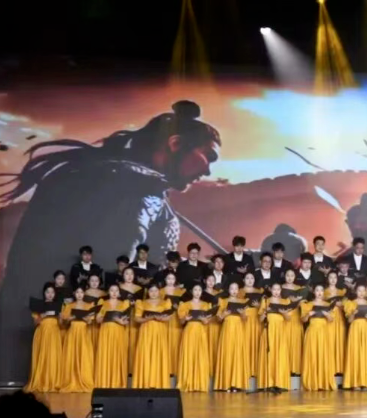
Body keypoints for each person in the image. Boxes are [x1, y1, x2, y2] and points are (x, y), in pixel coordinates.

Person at [0, 100, 220, 385]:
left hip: (24, 333)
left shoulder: (96, 174)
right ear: (175, 143)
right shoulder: (139, 189)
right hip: (75, 345)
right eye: (208, 157)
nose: (208, 171)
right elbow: (115, 269)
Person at [133, 285, 173, 389]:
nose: (154, 293)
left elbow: (169, 317)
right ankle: (145, 382)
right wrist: (148, 318)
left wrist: (161, 318)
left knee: (159, 352)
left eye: (156, 290)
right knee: (146, 353)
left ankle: (159, 382)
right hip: (146, 330)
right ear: (148, 292)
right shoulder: (141, 303)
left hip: (160, 330)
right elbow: (137, 318)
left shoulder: (165, 302)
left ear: (159, 291)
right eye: (151, 290)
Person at [25, 283, 63, 392]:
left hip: (54, 333)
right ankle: (41, 381)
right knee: (42, 355)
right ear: (44, 293)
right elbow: (35, 323)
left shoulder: (58, 305)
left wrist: (60, 317)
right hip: (42, 333)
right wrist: (42, 316)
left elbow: (61, 324)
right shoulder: (39, 306)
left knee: (53, 356)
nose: (50, 294)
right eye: (48, 292)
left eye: (52, 292)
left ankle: (53, 382)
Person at [59, 286, 95, 393]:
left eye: (81, 292)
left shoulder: (89, 305)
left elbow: (90, 322)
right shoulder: (69, 306)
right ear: (74, 293)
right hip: (72, 332)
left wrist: (84, 318)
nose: (79, 294)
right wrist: (70, 318)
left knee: (83, 355)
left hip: (83, 332)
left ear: (84, 294)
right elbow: (64, 323)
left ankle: (84, 380)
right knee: (72, 355)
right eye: (77, 292)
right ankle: (70, 380)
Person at [301, 284, 337, 391]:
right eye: (317, 290)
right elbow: (303, 320)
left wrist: (327, 314)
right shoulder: (308, 304)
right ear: (314, 292)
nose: (319, 292)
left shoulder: (328, 305)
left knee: (323, 355)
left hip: (324, 332)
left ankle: (323, 382)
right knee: (312, 354)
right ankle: (312, 382)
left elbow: (331, 320)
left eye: (321, 290)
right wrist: (308, 314)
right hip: (312, 331)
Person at [214, 282, 249, 392]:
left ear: (238, 290)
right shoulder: (223, 301)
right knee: (227, 353)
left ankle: (236, 384)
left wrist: (242, 314)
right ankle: (226, 384)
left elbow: (245, 319)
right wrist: (223, 315)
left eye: (236, 288)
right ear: (228, 290)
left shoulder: (243, 302)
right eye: (231, 288)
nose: (234, 290)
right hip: (227, 329)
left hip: (238, 329)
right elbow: (218, 319)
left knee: (237, 354)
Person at [94, 284, 130, 388]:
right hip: (106, 332)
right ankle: (104, 382)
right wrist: (108, 317)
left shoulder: (124, 304)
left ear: (119, 292)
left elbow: (126, 321)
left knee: (117, 354)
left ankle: (117, 382)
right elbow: (98, 320)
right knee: (105, 354)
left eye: (116, 290)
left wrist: (118, 320)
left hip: (118, 332)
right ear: (108, 292)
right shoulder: (102, 303)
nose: (114, 293)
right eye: (112, 290)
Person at [177, 284, 211, 392]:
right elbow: (181, 321)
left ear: (202, 292)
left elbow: (207, 321)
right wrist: (185, 318)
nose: (197, 292)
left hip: (201, 331)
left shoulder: (206, 305)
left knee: (200, 355)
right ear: (192, 291)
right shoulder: (185, 305)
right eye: (195, 289)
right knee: (189, 354)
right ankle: (187, 383)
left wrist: (203, 319)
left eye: (199, 290)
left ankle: (200, 384)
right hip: (189, 331)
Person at [343, 284, 367, 390]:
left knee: (366, 353)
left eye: (363, 290)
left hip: (366, 328)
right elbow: (349, 320)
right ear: (356, 291)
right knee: (355, 353)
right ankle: (355, 383)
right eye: (359, 290)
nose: (361, 293)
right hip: (355, 328)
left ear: (366, 292)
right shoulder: (350, 303)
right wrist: (353, 313)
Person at [258, 283, 291, 392]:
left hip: (280, 332)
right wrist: (265, 312)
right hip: (269, 331)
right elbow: (260, 319)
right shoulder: (266, 301)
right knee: (269, 355)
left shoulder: (285, 302)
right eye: (274, 289)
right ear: (271, 290)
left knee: (280, 356)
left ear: (281, 290)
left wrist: (283, 313)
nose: (276, 291)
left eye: (278, 289)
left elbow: (288, 319)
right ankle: (269, 382)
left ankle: (280, 382)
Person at [281, 270, 307, 375]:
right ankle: (284, 368)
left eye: (292, 275)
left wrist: (300, 301)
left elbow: (304, 303)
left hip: (296, 317)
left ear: (295, 277)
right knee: (285, 342)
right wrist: (288, 300)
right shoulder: (280, 288)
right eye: (287, 275)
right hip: (284, 317)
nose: (290, 277)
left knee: (296, 342)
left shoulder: (299, 289)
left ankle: (295, 368)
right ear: (284, 276)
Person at [161, 273, 185, 376]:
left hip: (176, 319)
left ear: (175, 280)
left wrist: (178, 307)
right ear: (165, 279)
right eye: (168, 278)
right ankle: (164, 369)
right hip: (165, 319)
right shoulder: (160, 292)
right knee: (164, 342)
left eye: (173, 278)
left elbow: (185, 306)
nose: (170, 280)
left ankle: (175, 369)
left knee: (176, 343)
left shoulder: (180, 292)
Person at [241, 273, 264, 378]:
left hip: (256, 318)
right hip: (244, 318)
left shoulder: (259, 291)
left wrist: (259, 306)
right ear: (243, 280)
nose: (250, 280)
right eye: (247, 278)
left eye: (252, 278)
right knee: (245, 342)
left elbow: (264, 307)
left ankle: (255, 370)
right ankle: (244, 370)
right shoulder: (239, 291)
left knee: (256, 342)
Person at [325, 272, 347, 376]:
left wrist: (340, 305)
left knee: (340, 341)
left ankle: (339, 369)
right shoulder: (323, 291)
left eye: (335, 277)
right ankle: (329, 368)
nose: (333, 279)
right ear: (327, 278)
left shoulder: (342, 292)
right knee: (329, 341)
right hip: (328, 318)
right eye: (331, 277)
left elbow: (347, 307)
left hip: (339, 318)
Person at [203, 274, 222, 373]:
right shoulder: (201, 293)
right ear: (205, 281)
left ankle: (215, 369)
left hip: (215, 321)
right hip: (205, 322)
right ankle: (205, 369)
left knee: (215, 345)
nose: (211, 282)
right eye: (209, 280)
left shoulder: (219, 294)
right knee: (205, 345)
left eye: (213, 280)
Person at [84, 274, 107, 347]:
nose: (94, 283)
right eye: (92, 281)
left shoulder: (104, 293)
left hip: (100, 319)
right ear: (88, 282)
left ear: (99, 282)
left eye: (96, 281)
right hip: (89, 320)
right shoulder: (84, 293)